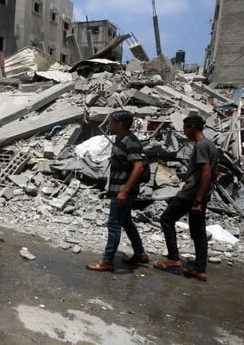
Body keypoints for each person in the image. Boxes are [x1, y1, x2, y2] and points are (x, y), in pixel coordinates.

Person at [153, 115, 218, 282]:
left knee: (166, 219)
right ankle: (200, 269)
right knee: (198, 230)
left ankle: (174, 258)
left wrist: (197, 200)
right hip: (201, 193)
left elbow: (206, 173)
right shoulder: (210, 145)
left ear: (192, 127)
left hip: (191, 193)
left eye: (185, 128)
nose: (184, 132)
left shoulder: (201, 146)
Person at [87, 110, 148, 272]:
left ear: (120, 124)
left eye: (111, 122)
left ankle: (107, 261)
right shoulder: (121, 140)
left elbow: (139, 166)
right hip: (119, 190)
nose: (109, 125)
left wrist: (124, 191)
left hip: (123, 191)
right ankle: (140, 253)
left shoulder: (130, 141)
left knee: (114, 224)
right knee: (126, 221)